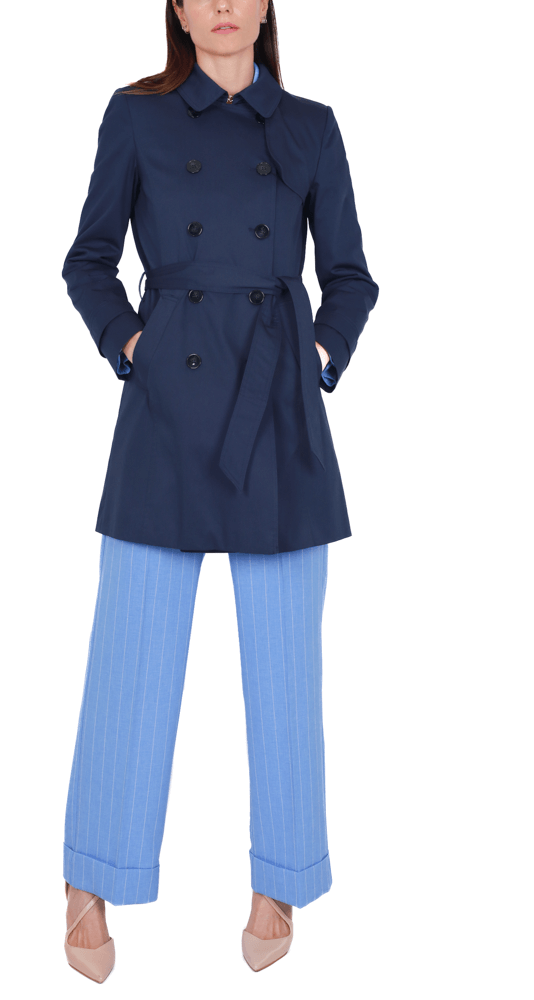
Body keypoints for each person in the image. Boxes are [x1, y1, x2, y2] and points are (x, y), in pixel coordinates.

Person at [61, 0, 378, 982]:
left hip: (277, 402)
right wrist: (134, 344)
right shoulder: (136, 114)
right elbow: (88, 261)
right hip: (167, 400)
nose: (225, 6)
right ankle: (92, 876)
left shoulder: (312, 125)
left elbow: (351, 277)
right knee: (130, 652)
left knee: (285, 665)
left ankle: (280, 878)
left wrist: (317, 357)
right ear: (177, 8)